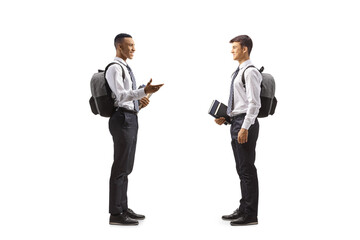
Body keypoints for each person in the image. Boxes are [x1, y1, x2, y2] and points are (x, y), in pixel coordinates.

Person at [106, 33, 163, 225]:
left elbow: (127, 99)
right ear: (119, 47)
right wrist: (143, 91)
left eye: (134, 45)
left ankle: (123, 207)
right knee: (120, 166)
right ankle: (115, 214)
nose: (133, 49)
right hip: (121, 119)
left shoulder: (126, 68)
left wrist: (140, 102)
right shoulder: (115, 68)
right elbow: (121, 97)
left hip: (130, 117)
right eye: (129, 45)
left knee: (126, 166)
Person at [215, 35, 262, 226]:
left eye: (235, 47)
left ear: (245, 49)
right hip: (236, 122)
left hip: (245, 124)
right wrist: (226, 117)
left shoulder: (250, 72)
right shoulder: (238, 71)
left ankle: (250, 215)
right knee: (241, 169)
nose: (231, 50)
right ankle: (244, 208)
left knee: (247, 169)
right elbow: (241, 102)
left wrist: (244, 127)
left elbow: (254, 103)